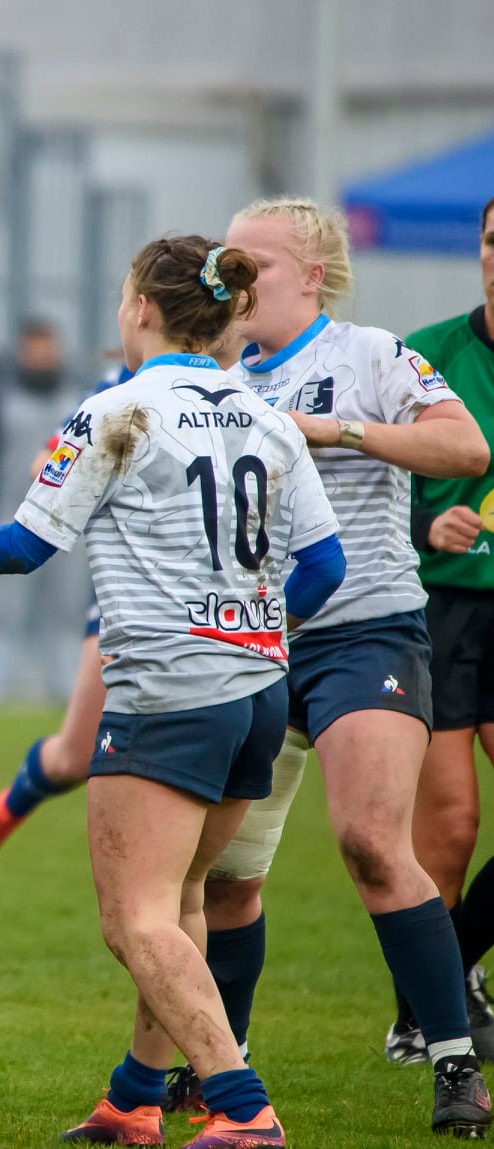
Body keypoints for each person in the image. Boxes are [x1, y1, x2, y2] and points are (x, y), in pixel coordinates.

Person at [0, 235, 347, 1147]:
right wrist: (251, 628)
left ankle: (242, 1108)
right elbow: (324, 565)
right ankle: (133, 1098)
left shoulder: (116, 410)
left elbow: (19, 547)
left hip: (167, 694)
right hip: (254, 694)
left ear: (139, 307)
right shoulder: (264, 414)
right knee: (178, 903)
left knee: (133, 918)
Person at [160, 199, 493, 1137]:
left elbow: (464, 445)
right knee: (225, 876)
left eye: (249, 265)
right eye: (223, 266)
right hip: (255, 644)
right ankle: (225, 1071)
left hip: (365, 632)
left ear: (311, 274)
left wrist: (339, 431)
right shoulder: (212, 372)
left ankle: (452, 1061)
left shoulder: (368, 355)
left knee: (371, 844)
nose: (230, 282)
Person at [0, 359, 131, 875]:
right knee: (74, 757)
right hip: (134, 607)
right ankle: (6, 808)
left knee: (225, 874)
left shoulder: (264, 393)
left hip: (246, 616)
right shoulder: (115, 387)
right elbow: (44, 465)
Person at [390, 191, 494, 1059]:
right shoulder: (425, 358)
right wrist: (428, 521)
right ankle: (419, 1016)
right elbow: (371, 482)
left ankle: (445, 975)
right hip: (444, 608)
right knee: (452, 823)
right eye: (492, 242)